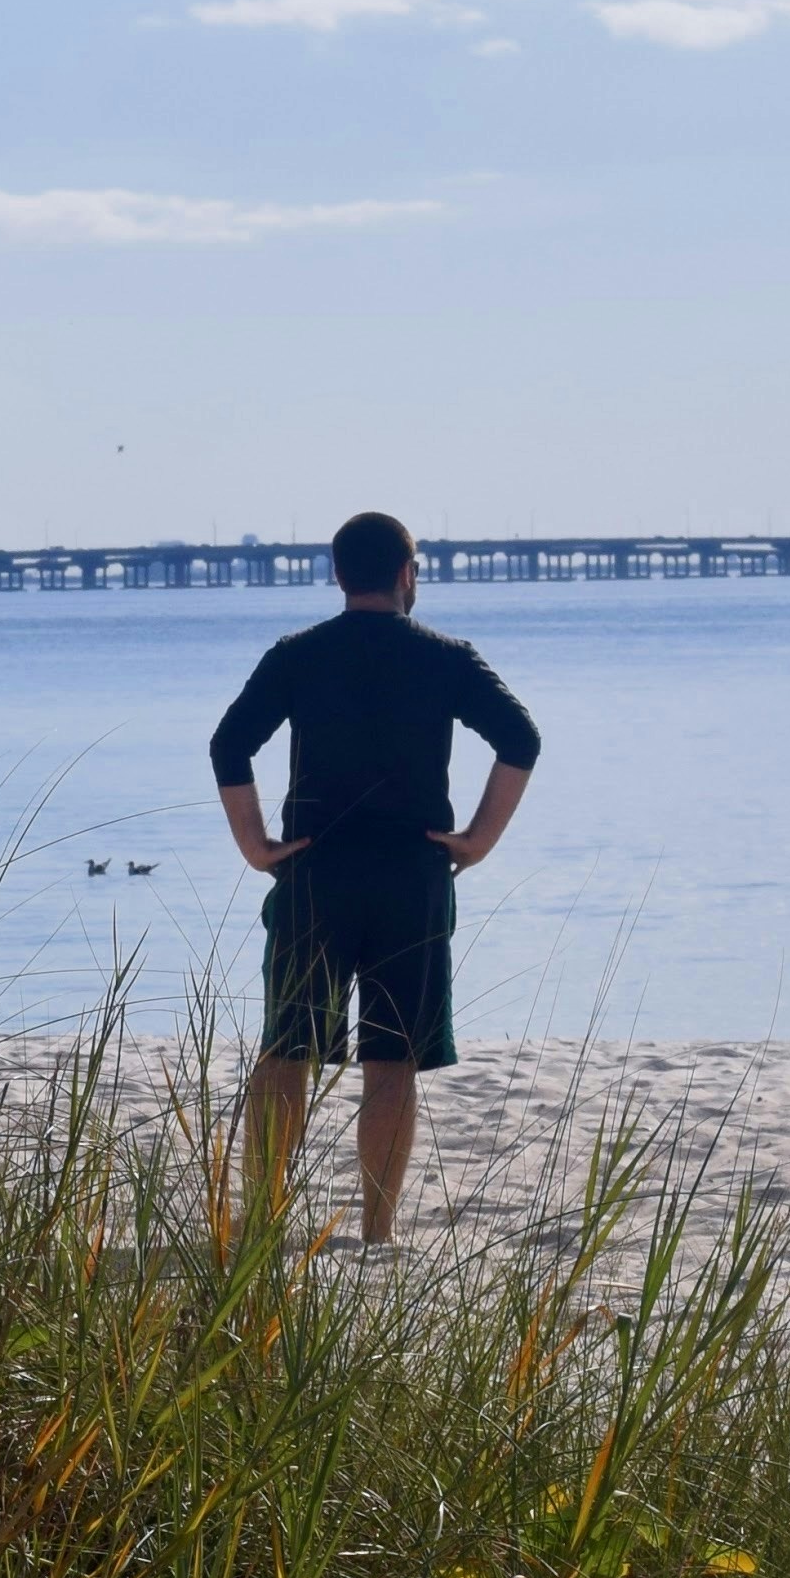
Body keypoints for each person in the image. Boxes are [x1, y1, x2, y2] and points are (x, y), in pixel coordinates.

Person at [207, 512, 540, 1242]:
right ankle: (377, 1230)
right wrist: (478, 840)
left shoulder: (298, 654)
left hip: (313, 870)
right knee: (392, 1057)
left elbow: (229, 744)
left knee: (287, 1047)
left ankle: (264, 1220)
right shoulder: (448, 657)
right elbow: (521, 736)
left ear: (337, 573)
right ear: (406, 573)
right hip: (410, 876)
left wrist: (256, 846)